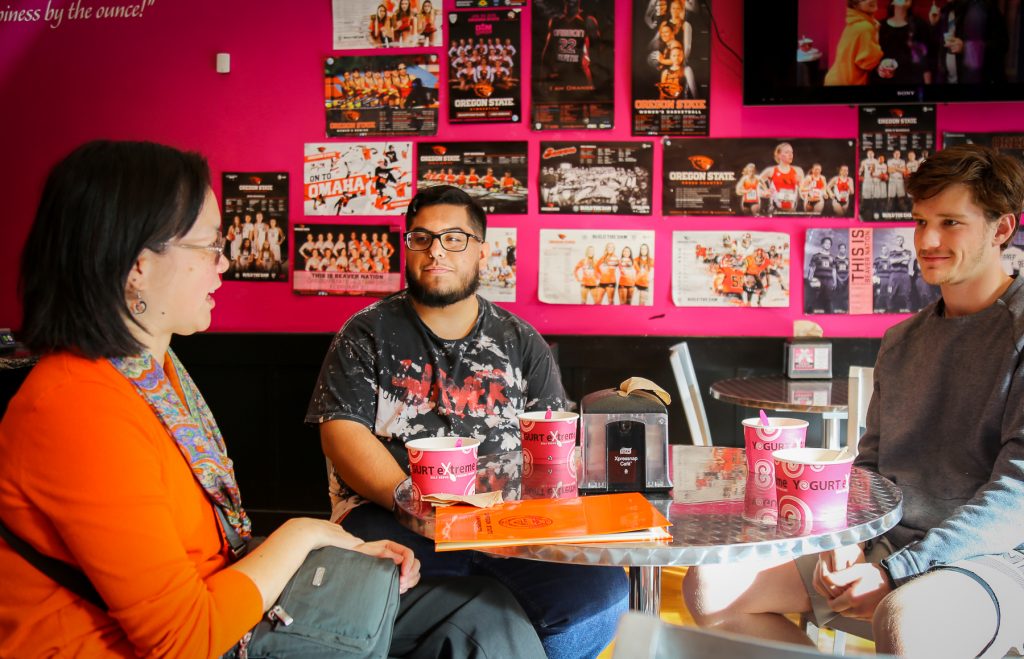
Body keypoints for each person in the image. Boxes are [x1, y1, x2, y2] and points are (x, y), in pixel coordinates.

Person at [0, 142, 545, 658]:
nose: (225, 264)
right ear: (138, 264)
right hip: (162, 638)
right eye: (210, 245)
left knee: (487, 612)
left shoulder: (153, 373)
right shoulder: (77, 409)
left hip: (231, 594)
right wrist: (308, 533)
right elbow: (185, 640)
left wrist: (336, 548)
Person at [683, 144, 1024, 658]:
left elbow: (1017, 496)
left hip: (996, 555)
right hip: (889, 543)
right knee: (711, 586)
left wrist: (894, 572)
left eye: (951, 222)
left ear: (1001, 230)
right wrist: (844, 540)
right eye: (920, 221)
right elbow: (869, 468)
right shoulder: (902, 340)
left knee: (907, 619)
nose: (927, 240)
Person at [305, 185, 628, 659]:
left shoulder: (520, 341)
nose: (436, 250)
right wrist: (408, 500)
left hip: (509, 523)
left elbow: (554, 435)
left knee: (602, 597)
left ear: (482, 250)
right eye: (422, 238)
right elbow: (340, 431)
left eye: (454, 238)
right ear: (408, 247)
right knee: (395, 599)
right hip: (391, 517)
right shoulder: (365, 333)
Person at [824, 0, 886, 86]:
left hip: (835, 79)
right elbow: (868, 63)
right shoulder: (864, 27)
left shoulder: (854, 23)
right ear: (855, 5)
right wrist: (876, 34)